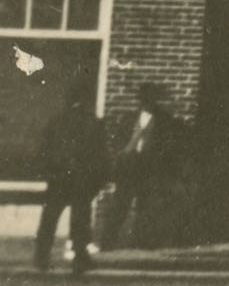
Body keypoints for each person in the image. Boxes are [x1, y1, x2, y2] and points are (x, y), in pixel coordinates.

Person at [35, 77, 109, 274]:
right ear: (86, 100)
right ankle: (80, 258)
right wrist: (98, 180)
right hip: (82, 180)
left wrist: (49, 172)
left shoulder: (56, 122)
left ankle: (41, 257)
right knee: (80, 221)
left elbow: (43, 150)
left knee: (50, 217)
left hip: (59, 178)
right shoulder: (94, 123)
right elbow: (101, 155)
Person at [100, 82, 172, 249]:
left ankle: (143, 242)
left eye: (152, 99)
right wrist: (121, 156)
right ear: (140, 101)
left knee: (146, 206)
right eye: (145, 99)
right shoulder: (129, 119)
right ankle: (107, 242)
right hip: (129, 167)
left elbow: (167, 145)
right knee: (120, 205)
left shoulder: (164, 121)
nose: (148, 103)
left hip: (149, 167)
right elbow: (118, 140)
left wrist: (157, 162)